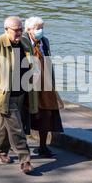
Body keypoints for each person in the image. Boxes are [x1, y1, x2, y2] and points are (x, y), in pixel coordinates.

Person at [0, 16, 38, 174]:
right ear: (6, 30)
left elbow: (31, 64)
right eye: (15, 30)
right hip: (4, 95)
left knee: (7, 125)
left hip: (22, 92)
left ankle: (0, 151)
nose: (19, 33)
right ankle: (25, 160)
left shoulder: (24, 43)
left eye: (20, 30)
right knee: (17, 129)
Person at [24, 17, 64, 158]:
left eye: (42, 27)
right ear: (28, 29)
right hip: (26, 85)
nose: (40, 31)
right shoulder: (22, 41)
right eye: (37, 28)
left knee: (46, 115)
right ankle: (20, 147)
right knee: (24, 116)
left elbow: (48, 62)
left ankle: (43, 146)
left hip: (45, 85)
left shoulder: (45, 41)